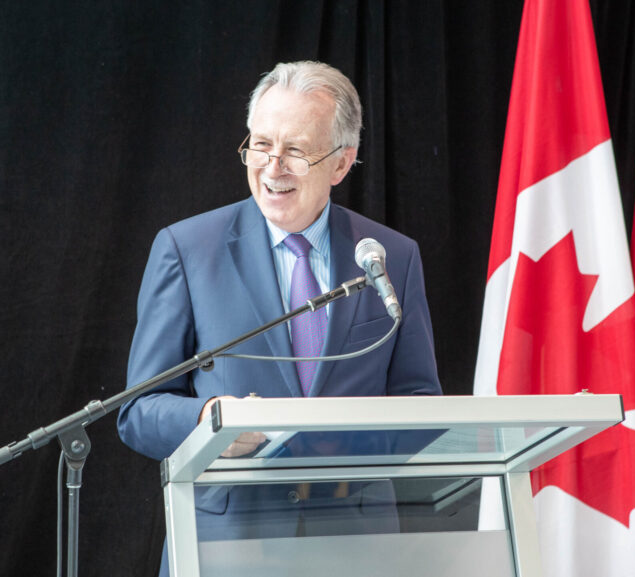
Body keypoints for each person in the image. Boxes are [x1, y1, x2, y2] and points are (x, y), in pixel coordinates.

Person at [116, 61, 442, 575]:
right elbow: (138, 411)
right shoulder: (188, 250)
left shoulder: (389, 258)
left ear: (341, 163)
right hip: (226, 546)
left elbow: (421, 403)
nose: (272, 167)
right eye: (261, 144)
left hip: (356, 546)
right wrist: (210, 423)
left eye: (295, 150)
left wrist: (341, 440)